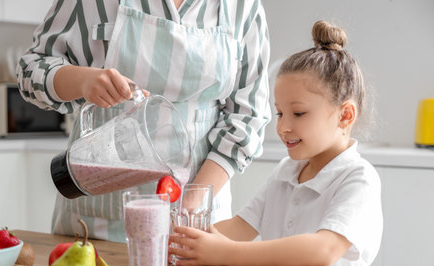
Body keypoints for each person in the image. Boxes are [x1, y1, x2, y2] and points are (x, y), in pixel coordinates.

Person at [16, 0, 270, 242]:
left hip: (196, 225)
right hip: (97, 225)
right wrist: (83, 80)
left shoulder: (242, 7)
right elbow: (31, 70)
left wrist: (193, 202)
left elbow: (248, 116)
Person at [169, 20, 383, 266]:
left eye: (299, 113)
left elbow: (323, 249)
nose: (283, 127)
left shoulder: (359, 178)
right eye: (280, 113)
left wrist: (226, 253)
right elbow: (241, 226)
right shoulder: (287, 171)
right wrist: (184, 242)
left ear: (345, 115)